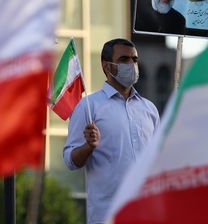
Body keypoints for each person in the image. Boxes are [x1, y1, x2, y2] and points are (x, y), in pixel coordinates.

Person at [63, 38, 160, 224]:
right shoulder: (88, 107)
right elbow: (70, 160)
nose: (131, 65)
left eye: (135, 60)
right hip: (107, 215)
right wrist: (89, 147)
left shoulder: (149, 109)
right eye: (124, 59)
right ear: (107, 66)